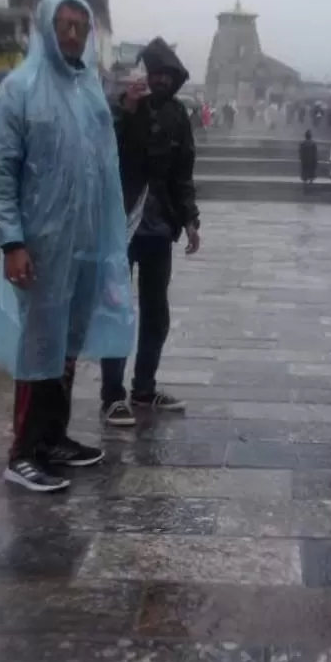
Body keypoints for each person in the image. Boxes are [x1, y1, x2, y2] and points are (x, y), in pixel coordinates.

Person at [0, 0, 134, 492]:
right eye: (64, 24)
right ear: (46, 28)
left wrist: (110, 240)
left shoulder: (89, 90)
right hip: (41, 246)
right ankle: (22, 451)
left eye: (80, 26)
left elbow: (104, 170)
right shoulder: (19, 89)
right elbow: (0, 171)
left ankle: (54, 437)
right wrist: (12, 242)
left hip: (86, 243)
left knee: (67, 346)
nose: (72, 34)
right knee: (38, 346)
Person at [101, 37, 200, 426]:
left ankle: (144, 387)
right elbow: (104, 151)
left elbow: (183, 174)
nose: (160, 80)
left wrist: (190, 218)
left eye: (167, 75)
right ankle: (112, 394)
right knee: (117, 309)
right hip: (122, 225)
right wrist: (127, 112)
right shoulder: (121, 108)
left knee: (156, 312)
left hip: (160, 229)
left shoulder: (178, 116)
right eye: (154, 73)